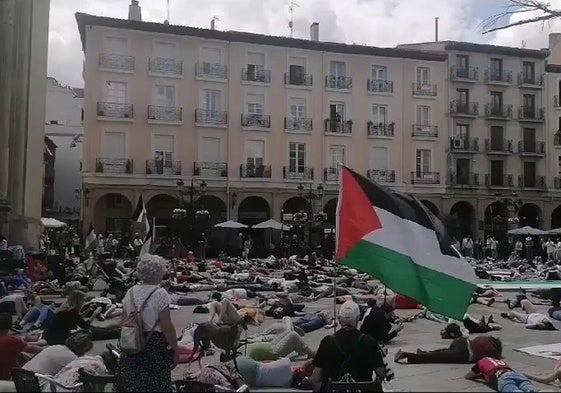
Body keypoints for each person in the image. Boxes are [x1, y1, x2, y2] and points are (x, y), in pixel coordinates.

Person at [117, 254, 178, 392]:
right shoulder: (160, 294)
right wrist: (175, 350)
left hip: (131, 343)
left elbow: (123, 322)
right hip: (154, 346)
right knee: (155, 386)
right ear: (159, 272)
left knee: (133, 385)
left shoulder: (130, 292)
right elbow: (167, 328)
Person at [310, 301, 387, 392]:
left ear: (339, 319)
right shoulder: (369, 342)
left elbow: (316, 378)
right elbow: (381, 374)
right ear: (358, 318)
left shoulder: (327, 342)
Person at [23, 331, 93, 376]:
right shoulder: (71, 358)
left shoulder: (55, 347)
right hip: (36, 384)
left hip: (22, 377)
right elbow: (87, 372)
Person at [395, 335, 503, 364]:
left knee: (445, 352)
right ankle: (409, 356)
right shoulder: (494, 351)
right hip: (464, 353)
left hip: (461, 341)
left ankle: (425, 352)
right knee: (438, 358)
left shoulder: (485, 338)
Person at [0, 313, 43, 380]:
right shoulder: (11, 341)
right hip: (8, 377)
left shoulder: (12, 340)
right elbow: (31, 349)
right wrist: (46, 349)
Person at [465, 357, 537, 392]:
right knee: (530, 388)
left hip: (503, 378)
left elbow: (468, 376)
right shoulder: (499, 361)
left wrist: (482, 375)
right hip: (515, 374)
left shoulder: (481, 362)